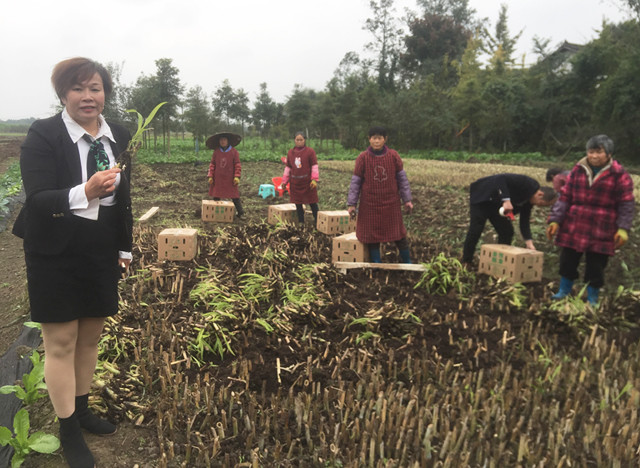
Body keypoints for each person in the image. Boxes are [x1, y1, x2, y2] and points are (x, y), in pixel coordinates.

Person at [12, 57, 132, 468]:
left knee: (90, 338)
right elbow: (39, 198)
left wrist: (125, 249)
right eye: (78, 88)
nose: (88, 96)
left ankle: (81, 410)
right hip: (54, 252)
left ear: (105, 94)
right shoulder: (43, 134)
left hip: (100, 250)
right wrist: (86, 190)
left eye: (95, 88)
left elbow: (124, 201)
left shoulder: (119, 135)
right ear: (63, 94)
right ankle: (67, 428)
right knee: (61, 342)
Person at [546, 134, 634, 305]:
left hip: (602, 226)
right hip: (574, 224)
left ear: (609, 154)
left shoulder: (619, 175)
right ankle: (563, 291)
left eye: (598, 152)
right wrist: (555, 220)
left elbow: (626, 204)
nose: (593, 156)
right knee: (568, 260)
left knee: (596, 265)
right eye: (590, 152)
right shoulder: (577, 170)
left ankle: (592, 297)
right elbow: (565, 197)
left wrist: (623, 229)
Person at [347, 126, 413, 263]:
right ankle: (376, 263)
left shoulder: (393, 156)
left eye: (380, 138)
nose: (377, 141)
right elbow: (355, 183)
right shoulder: (362, 158)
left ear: (385, 139)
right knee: (372, 237)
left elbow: (402, 180)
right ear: (369, 139)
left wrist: (407, 200)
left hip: (391, 204)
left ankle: (408, 262)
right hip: (369, 205)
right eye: (374, 138)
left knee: (399, 234)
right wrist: (352, 203)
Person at [461, 173, 557, 264]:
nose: (538, 206)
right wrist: (506, 200)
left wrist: (529, 242)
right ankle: (466, 260)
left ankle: (500, 260)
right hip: (483, 197)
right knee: (476, 229)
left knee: (507, 231)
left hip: (497, 206)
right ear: (540, 194)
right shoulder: (528, 183)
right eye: (541, 204)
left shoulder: (529, 202)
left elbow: (524, 221)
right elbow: (500, 178)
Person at [280, 132, 319, 225]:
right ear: (294, 140)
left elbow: (314, 166)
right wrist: (284, 181)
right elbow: (288, 167)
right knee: (298, 203)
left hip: (307, 183)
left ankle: (318, 220)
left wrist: (314, 179)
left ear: (304, 140)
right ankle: (301, 221)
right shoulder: (291, 153)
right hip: (295, 183)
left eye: (301, 140)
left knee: (312, 202)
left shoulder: (310, 152)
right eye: (297, 140)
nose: (299, 141)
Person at [206, 132, 244, 218]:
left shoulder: (234, 152)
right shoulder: (216, 152)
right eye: (221, 140)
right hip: (218, 177)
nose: (222, 141)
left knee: (234, 195)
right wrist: (210, 176)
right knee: (216, 195)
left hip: (230, 177)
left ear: (228, 141)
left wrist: (237, 176)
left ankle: (241, 213)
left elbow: (237, 164)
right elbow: (212, 164)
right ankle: (215, 213)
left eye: (224, 140)